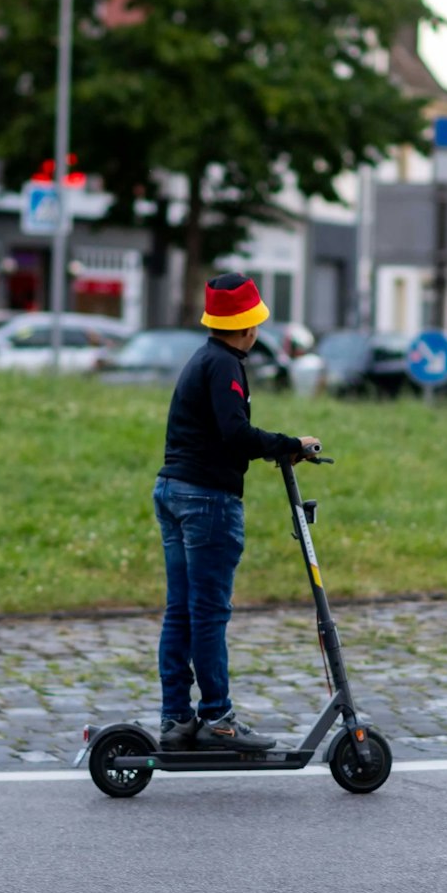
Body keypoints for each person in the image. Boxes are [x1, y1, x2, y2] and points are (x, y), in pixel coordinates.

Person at [153, 273, 319, 752]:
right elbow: (235, 433)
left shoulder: (200, 359)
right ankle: (218, 720)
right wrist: (291, 445)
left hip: (172, 490)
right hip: (207, 499)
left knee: (181, 610)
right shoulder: (226, 365)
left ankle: (175, 719)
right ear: (249, 327)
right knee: (207, 612)